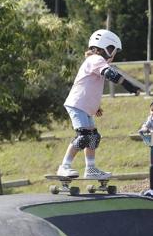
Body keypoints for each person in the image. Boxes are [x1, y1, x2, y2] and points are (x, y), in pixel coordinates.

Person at [56, 29, 139, 179]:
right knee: (84, 136)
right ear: (103, 47)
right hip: (77, 104)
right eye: (113, 50)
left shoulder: (95, 61)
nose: (114, 54)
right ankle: (64, 167)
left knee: (93, 136)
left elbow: (90, 87)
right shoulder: (95, 59)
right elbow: (111, 75)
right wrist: (130, 86)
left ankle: (91, 169)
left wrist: (95, 106)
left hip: (85, 106)